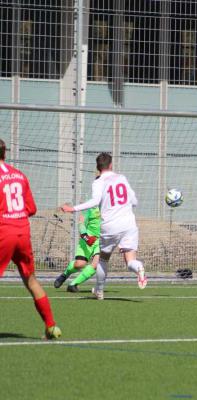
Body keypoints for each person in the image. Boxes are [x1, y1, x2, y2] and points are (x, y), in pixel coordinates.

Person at [61, 152, 147, 300]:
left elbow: (95, 201)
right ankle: (139, 267)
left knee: (103, 259)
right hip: (129, 224)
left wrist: (73, 208)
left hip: (110, 226)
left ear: (98, 167)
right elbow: (135, 201)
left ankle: (99, 291)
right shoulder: (122, 178)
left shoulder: (98, 182)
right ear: (111, 165)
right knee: (130, 260)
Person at [0, 139, 61, 339]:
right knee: (31, 280)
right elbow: (31, 209)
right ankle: (51, 326)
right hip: (22, 232)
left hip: (4, 232)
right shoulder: (19, 175)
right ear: (5, 153)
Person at [54, 206, 100, 293]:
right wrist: (86, 238)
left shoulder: (111, 209)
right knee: (79, 264)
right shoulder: (91, 208)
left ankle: (73, 284)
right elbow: (81, 223)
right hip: (88, 239)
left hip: (102, 241)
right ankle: (65, 274)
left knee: (96, 264)